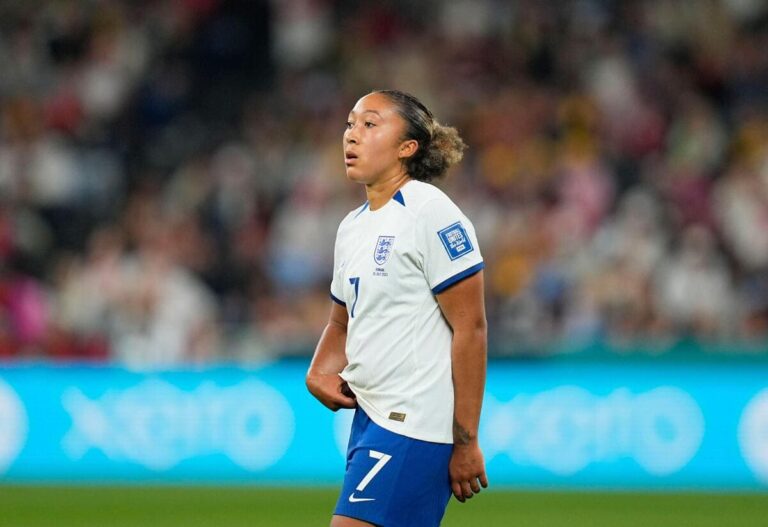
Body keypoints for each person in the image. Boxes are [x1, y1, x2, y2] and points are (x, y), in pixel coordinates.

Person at [306, 89, 488, 527]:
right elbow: (340, 321)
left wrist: (466, 440)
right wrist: (318, 372)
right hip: (370, 418)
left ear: (407, 148)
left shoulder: (431, 212)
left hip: (414, 423)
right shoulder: (352, 227)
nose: (352, 135)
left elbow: (472, 328)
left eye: (370, 124)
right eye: (350, 124)